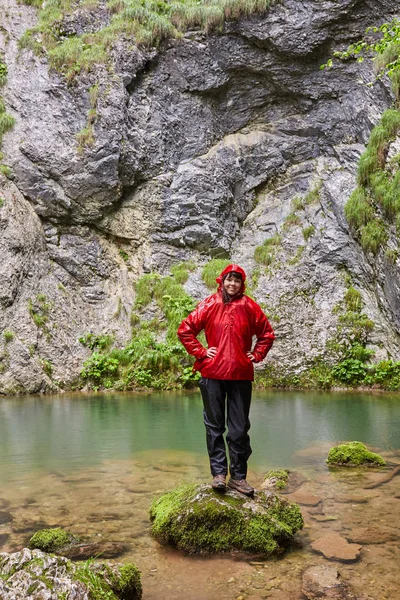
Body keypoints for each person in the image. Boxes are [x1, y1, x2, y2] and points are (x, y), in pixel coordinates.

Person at [177, 264, 275, 496]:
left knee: (239, 429)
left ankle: (238, 478)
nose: (232, 284)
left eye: (237, 281)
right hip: (212, 374)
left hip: (240, 374)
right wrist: (201, 352)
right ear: (222, 281)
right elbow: (185, 330)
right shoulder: (210, 304)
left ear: (242, 284)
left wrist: (257, 354)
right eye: (229, 280)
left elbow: (267, 334)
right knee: (214, 427)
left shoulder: (249, 306)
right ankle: (219, 475)